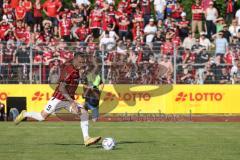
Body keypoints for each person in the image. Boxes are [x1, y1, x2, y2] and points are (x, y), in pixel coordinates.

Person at [14, 52, 101, 146]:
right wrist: (72, 102)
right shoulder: (68, 70)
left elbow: (84, 78)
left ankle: (87, 138)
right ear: (75, 60)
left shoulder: (78, 70)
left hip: (69, 99)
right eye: (80, 62)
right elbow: (61, 88)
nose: (82, 64)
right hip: (58, 98)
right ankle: (25, 113)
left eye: (83, 62)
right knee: (41, 117)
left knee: (84, 113)